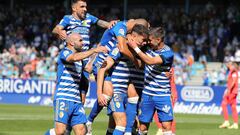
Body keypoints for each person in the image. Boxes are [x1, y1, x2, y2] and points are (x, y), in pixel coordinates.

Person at [86, 19, 149, 135]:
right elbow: (103, 68)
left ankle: (128, 132)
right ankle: (89, 120)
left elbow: (143, 62)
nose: (145, 43)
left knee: (115, 122)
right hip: (109, 80)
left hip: (122, 88)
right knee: (120, 121)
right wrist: (99, 93)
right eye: (143, 40)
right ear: (133, 35)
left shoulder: (135, 46)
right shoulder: (119, 46)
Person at [52, 0, 117, 105]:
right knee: (65, 88)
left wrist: (109, 24)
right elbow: (55, 29)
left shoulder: (88, 17)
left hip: (85, 60)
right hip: (73, 60)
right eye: (82, 7)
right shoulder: (67, 19)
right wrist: (59, 31)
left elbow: (100, 22)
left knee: (82, 97)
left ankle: (79, 114)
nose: (85, 9)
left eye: (85, 7)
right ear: (74, 8)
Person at [45, 33, 107, 135]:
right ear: (72, 43)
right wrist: (93, 50)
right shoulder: (65, 52)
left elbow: (87, 69)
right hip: (64, 97)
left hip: (76, 100)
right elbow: (72, 58)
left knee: (81, 131)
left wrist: (97, 55)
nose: (83, 43)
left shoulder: (81, 59)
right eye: (80, 40)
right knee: (60, 131)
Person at [129, 27, 174, 135]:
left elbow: (150, 61)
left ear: (158, 40)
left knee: (166, 126)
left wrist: (135, 48)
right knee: (143, 126)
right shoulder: (147, 47)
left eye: (150, 40)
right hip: (147, 94)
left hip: (163, 94)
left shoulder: (168, 53)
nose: (147, 42)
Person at [154, 67, 178, 135]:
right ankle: (164, 130)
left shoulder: (167, 65)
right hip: (162, 93)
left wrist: (171, 93)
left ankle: (168, 131)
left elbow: (170, 80)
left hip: (169, 94)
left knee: (167, 115)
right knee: (160, 115)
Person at [219, 61, 239, 129]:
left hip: (232, 91)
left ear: (231, 65)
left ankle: (226, 121)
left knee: (223, 104)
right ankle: (235, 124)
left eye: (229, 64)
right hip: (234, 91)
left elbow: (233, 81)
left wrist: (229, 90)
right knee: (233, 107)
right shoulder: (232, 71)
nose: (227, 65)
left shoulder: (233, 71)